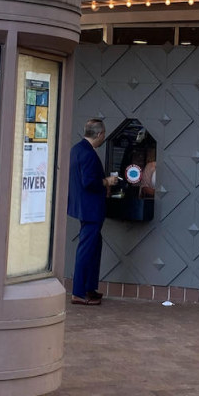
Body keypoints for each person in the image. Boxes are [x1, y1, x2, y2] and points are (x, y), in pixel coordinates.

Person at [67, 118, 118, 306]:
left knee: (94, 246)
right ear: (99, 134)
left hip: (82, 207)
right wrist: (107, 181)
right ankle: (79, 293)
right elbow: (89, 182)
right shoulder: (89, 154)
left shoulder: (77, 149)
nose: (104, 138)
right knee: (87, 249)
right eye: (104, 134)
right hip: (91, 209)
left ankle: (89, 288)